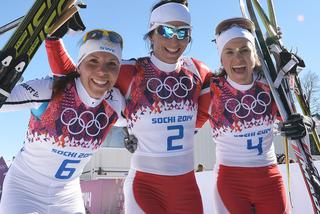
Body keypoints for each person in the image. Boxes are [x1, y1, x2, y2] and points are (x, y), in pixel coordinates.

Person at [44, 0, 212, 213]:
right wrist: (53, 41)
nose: (174, 40)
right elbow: (76, 80)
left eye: (183, 33)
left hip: (186, 187)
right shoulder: (130, 71)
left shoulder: (199, 71)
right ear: (151, 33)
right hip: (145, 186)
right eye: (167, 30)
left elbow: (216, 104)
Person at [0, 28, 126, 214]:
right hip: (24, 190)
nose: (102, 71)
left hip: (67, 195)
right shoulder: (51, 89)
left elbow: (144, 120)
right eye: (93, 61)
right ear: (79, 65)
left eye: (112, 64)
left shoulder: (115, 102)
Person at [197, 17, 315, 214]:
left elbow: (297, 116)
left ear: (255, 55)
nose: (238, 59)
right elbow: (183, 124)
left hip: (269, 177)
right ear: (221, 58)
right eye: (229, 52)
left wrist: (306, 122)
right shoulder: (210, 91)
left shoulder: (271, 87)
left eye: (245, 50)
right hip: (230, 181)